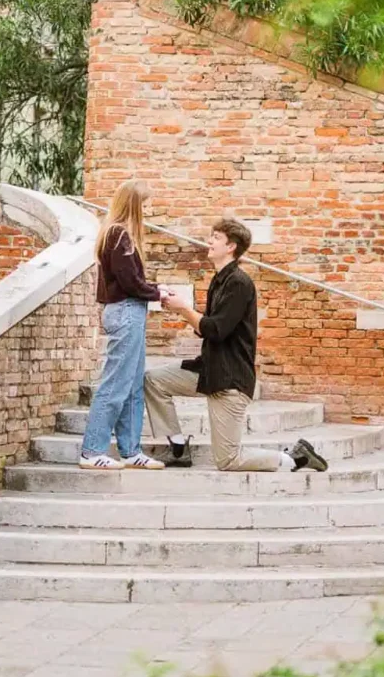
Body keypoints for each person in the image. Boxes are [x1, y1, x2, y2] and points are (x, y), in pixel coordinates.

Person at [146, 217, 328, 474]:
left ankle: (296, 458)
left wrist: (185, 309)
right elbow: (205, 329)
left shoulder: (239, 283)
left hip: (230, 381)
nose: (209, 241)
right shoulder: (218, 280)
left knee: (228, 460)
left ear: (231, 247)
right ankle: (177, 447)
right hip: (209, 371)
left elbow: (216, 330)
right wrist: (183, 311)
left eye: (216, 238)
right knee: (154, 380)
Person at [79, 181, 167, 470]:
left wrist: (155, 289)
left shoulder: (117, 235)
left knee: (132, 385)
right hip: (126, 311)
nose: (149, 210)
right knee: (116, 384)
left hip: (131, 311)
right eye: (145, 204)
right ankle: (92, 451)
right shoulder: (119, 235)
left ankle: (131, 451)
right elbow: (130, 283)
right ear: (134, 205)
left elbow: (131, 281)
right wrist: (159, 293)